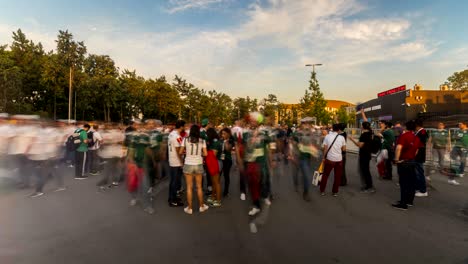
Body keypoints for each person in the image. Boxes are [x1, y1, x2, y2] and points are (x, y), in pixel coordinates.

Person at [392, 120, 422, 211]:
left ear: (405, 127)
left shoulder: (404, 136)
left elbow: (398, 148)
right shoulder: (416, 137)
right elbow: (417, 151)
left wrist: (396, 159)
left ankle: (403, 204)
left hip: (403, 162)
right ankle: (409, 201)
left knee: (403, 183)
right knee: (411, 183)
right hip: (412, 161)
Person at [179, 125, 209, 215]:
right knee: (199, 187)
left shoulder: (185, 139)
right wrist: (200, 154)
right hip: (198, 164)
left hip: (188, 164)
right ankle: (201, 206)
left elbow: (180, 152)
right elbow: (206, 154)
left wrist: (186, 152)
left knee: (189, 187)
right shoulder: (202, 140)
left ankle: (190, 208)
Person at [292, 121, 319, 201]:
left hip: (306, 159)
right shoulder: (297, 134)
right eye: (305, 124)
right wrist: (292, 155)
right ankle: (296, 184)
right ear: (301, 126)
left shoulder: (311, 135)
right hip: (298, 157)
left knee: (307, 176)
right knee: (296, 174)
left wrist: (314, 152)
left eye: (308, 124)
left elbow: (315, 145)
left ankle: (305, 192)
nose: (307, 126)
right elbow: (292, 144)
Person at [319, 124, 346, 196]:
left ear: (332, 129)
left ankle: (322, 190)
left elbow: (325, 149)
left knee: (325, 175)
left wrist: (324, 158)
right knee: (337, 176)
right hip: (339, 159)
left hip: (330, 159)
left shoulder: (327, 136)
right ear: (339, 129)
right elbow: (344, 149)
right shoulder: (342, 138)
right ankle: (335, 192)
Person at [350, 119, 375, 193]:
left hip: (364, 155)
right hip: (368, 154)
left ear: (363, 127)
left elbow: (360, 145)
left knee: (365, 171)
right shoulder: (370, 133)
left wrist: (352, 139)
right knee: (366, 170)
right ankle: (368, 185)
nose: (361, 127)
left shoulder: (364, 135)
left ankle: (368, 187)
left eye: (361, 125)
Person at [167, 120, 185, 207]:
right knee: (175, 181)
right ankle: (172, 200)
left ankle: (172, 197)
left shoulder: (171, 134)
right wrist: (181, 162)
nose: (184, 128)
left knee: (174, 181)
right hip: (176, 161)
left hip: (172, 159)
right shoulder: (177, 136)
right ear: (181, 126)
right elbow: (178, 151)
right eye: (184, 126)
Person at [206, 127, 222, 207]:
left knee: (216, 182)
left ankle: (218, 200)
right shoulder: (214, 141)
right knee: (213, 182)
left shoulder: (215, 142)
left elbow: (214, 154)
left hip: (216, 162)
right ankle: (213, 197)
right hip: (214, 162)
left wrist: (205, 153)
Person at [414, 119, 429, 197]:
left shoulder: (422, 132)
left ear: (417, 125)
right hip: (418, 154)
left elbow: (421, 144)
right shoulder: (419, 132)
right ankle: (418, 187)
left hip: (419, 155)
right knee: (417, 172)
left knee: (420, 173)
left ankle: (423, 190)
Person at [220, 127, 234, 197]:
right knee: (218, 175)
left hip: (227, 160)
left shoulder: (231, 140)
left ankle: (226, 191)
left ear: (228, 134)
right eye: (222, 134)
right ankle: (217, 190)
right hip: (220, 160)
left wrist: (225, 141)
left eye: (224, 134)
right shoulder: (220, 140)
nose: (222, 135)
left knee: (226, 176)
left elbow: (228, 149)